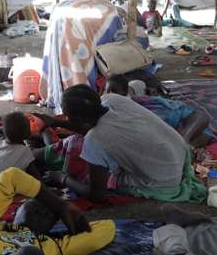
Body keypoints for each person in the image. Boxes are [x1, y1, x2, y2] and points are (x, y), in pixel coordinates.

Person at [35, 85, 206, 203]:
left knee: (103, 176)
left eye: (67, 116)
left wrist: (62, 178)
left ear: (77, 118)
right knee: (80, 148)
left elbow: (97, 195)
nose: (66, 119)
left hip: (165, 180)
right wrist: (55, 123)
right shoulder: (112, 99)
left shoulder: (94, 141)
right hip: (178, 154)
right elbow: (95, 126)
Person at [105, 75, 212, 148]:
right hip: (160, 138)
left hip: (176, 130)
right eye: (109, 91)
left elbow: (200, 116)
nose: (111, 94)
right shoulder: (112, 109)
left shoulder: (151, 102)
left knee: (197, 123)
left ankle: (183, 141)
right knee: (201, 135)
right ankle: (183, 143)